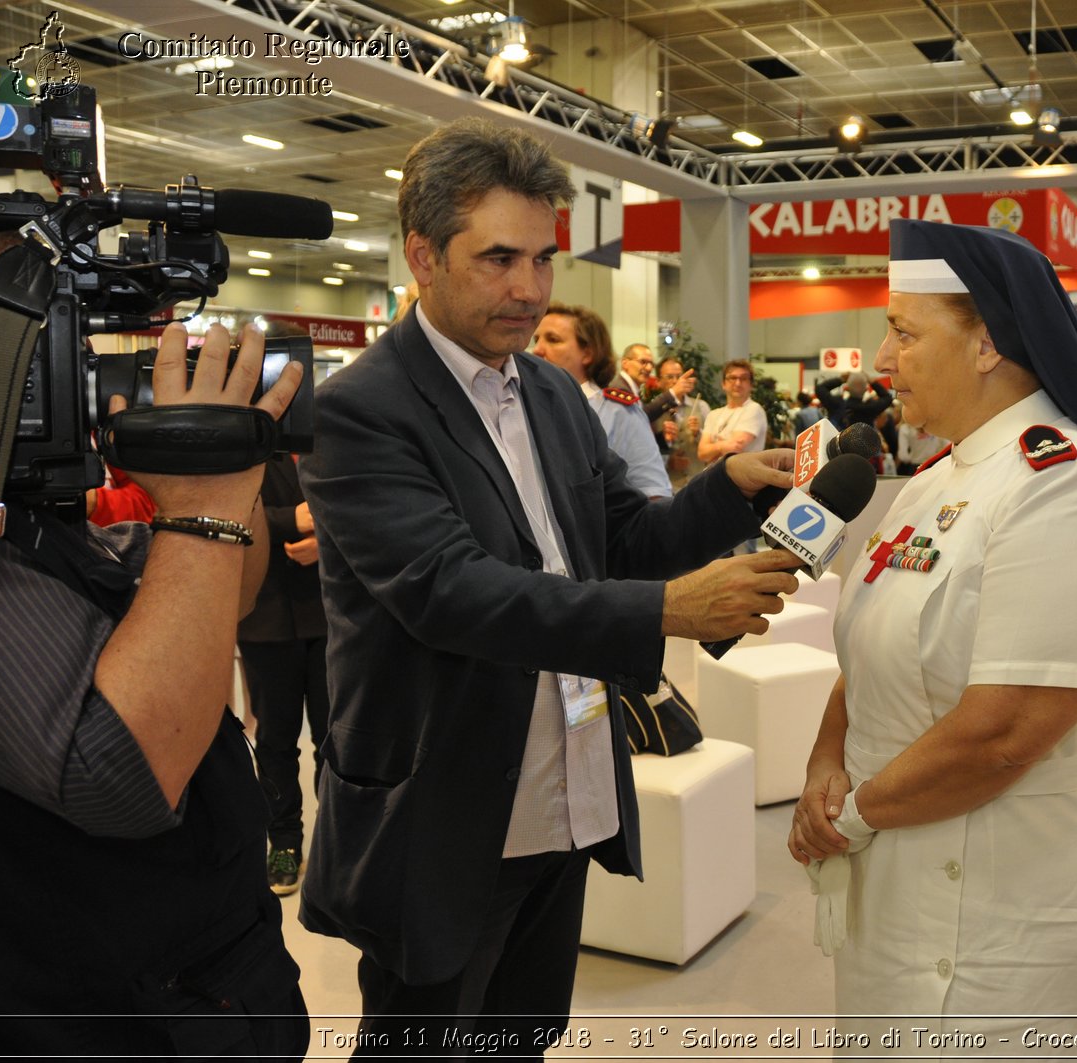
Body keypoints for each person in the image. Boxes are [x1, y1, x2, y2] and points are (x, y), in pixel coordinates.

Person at [297, 117, 802, 1055]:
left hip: (562, 797)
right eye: (498, 260)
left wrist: (726, 491)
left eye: (543, 260)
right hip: (441, 813)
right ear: (423, 255)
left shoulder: (554, 394)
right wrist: (667, 614)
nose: (529, 290)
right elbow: (451, 592)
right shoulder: (362, 411)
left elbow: (622, 538)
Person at [788, 219, 1077, 1046]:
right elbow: (871, 649)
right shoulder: (939, 477)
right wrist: (828, 761)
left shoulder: (1063, 486)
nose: (882, 360)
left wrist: (851, 815)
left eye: (903, 331)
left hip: (1027, 907)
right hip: (903, 881)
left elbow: (1006, 731)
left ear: (987, 345)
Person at [0, 320, 310, 1058]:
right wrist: (204, 499)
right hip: (100, 1010)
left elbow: (231, 593)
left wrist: (229, 468)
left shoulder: (42, 519)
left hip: (207, 981)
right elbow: (123, 774)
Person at [237, 451, 330, 896]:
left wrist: (327, 540)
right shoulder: (247, 445)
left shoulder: (332, 437)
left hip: (333, 616)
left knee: (337, 739)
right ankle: (284, 843)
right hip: (265, 616)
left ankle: (337, 844)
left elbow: (368, 505)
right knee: (275, 741)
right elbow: (227, 511)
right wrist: (288, 520)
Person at [531, 303, 672, 499]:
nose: (537, 350)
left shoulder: (618, 412)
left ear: (587, 353)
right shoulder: (528, 406)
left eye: (553, 340)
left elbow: (653, 492)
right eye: (536, 339)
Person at [650, 355, 710, 492]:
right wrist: (668, 462)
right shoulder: (652, 412)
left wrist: (698, 433)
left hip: (698, 482)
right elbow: (647, 451)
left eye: (679, 376)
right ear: (659, 381)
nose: (676, 381)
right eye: (670, 377)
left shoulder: (701, 406)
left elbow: (712, 445)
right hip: (667, 486)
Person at [698, 359, 768, 464]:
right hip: (714, 478)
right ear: (723, 384)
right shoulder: (713, 414)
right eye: (732, 378)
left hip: (743, 477)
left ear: (751, 384)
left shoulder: (754, 409)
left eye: (743, 378)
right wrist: (723, 445)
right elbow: (702, 453)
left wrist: (713, 447)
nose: (738, 383)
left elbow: (735, 448)